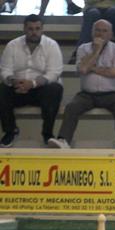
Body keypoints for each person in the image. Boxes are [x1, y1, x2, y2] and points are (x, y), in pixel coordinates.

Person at [48, 20, 115, 149]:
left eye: (104, 31)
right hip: (87, 94)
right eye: (98, 30)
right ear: (92, 32)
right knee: (72, 107)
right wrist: (96, 51)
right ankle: (63, 140)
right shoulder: (83, 49)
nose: (100, 34)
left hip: (113, 94)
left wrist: (93, 68)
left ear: (111, 34)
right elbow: (83, 70)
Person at [0, 14, 63, 147]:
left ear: (42, 29)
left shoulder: (51, 45)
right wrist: (13, 81)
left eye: (37, 28)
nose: (34, 32)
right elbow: (5, 70)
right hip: (17, 87)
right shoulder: (13, 45)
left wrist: (33, 84)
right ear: (24, 29)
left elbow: (54, 73)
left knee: (55, 88)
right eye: (30, 29)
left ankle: (48, 134)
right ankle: (10, 132)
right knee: (2, 89)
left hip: (41, 90)